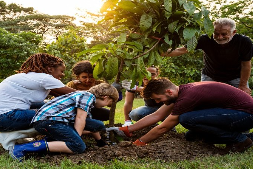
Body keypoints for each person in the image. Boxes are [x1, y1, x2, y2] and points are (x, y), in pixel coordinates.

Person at [107, 78, 253, 153]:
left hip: (245, 115)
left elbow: (163, 128)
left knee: (187, 119)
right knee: (191, 136)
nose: (157, 102)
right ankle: (249, 137)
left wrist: (140, 142)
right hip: (235, 114)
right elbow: (157, 115)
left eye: (158, 99)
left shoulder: (187, 97)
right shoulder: (180, 92)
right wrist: (126, 130)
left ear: (169, 92)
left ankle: (241, 140)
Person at [10, 83, 119, 162]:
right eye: (110, 103)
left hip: (55, 122)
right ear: (105, 97)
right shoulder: (87, 96)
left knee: (98, 125)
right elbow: (80, 119)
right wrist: (76, 138)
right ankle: (23, 148)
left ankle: (52, 141)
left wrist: (100, 141)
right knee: (78, 146)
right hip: (50, 121)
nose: (107, 106)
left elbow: (87, 123)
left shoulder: (87, 102)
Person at [0, 53, 76, 150]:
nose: (63, 74)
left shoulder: (31, 76)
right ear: (50, 69)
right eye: (61, 71)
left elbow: (61, 95)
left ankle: (15, 135)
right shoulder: (45, 78)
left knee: (46, 105)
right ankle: (53, 139)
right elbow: (77, 95)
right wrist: (98, 90)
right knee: (55, 113)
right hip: (5, 117)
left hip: (4, 116)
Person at [161, 18, 253, 95]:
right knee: (205, 100)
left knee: (243, 101)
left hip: (236, 77)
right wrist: (159, 52)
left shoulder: (244, 42)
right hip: (210, 76)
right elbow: (181, 50)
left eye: (224, 34)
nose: (219, 37)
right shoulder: (205, 39)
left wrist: (243, 85)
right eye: (216, 33)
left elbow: (246, 65)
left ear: (234, 32)